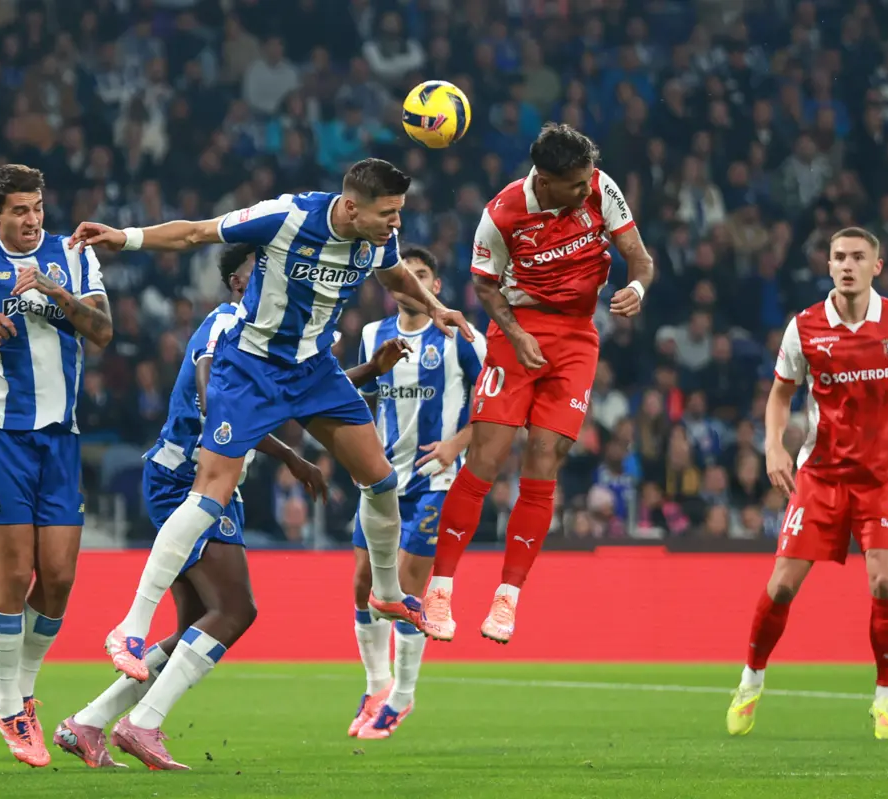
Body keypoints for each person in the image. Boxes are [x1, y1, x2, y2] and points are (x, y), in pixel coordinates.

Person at [68, 158, 470, 689]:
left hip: (314, 369)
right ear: (351, 206)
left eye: (399, 212)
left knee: (381, 480)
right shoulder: (286, 216)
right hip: (253, 368)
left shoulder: (378, 239)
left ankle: (388, 592)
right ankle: (131, 627)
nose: (395, 223)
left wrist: (436, 307)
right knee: (211, 491)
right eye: (388, 213)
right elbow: (196, 233)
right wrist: (127, 237)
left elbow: (393, 270)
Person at [53, 243, 411, 769]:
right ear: (239, 282)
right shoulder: (226, 324)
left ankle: (86, 723)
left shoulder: (269, 340)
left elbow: (294, 396)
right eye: (260, 271)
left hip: (214, 485)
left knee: (195, 626)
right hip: (185, 480)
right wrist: (289, 454)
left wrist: (365, 372)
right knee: (236, 610)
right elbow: (210, 398)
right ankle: (143, 723)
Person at [420, 123, 654, 644]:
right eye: (575, 184)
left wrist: (636, 286)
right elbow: (483, 284)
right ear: (545, 181)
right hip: (519, 329)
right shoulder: (501, 214)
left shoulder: (598, 187)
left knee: (545, 456)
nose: (586, 190)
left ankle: (507, 599)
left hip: (576, 338)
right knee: (486, 456)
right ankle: (440, 588)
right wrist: (515, 334)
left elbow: (639, 255)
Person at [0, 164, 114, 767]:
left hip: (61, 436)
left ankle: (25, 692)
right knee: (16, 576)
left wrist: (55, 292)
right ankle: (8, 701)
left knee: (58, 578)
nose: (32, 219)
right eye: (19, 211)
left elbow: (104, 331)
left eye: (37, 207)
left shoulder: (75, 254)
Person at [726, 227, 888, 741]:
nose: (847, 264)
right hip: (821, 476)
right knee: (781, 586)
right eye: (839, 256)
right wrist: (774, 446)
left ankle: (886, 700)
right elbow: (779, 394)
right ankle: (750, 682)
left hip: (881, 475)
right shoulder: (805, 327)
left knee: (885, 582)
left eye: (858, 257)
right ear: (829, 264)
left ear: (876, 266)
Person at [348, 245, 486, 740]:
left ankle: (402, 699)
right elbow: (360, 404)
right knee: (364, 581)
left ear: (436, 286)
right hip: (382, 481)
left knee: (404, 587)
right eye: (406, 276)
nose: (413, 284)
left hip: (437, 481)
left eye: (422, 275)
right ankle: (377, 685)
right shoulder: (371, 335)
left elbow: (498, 404)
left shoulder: (459, 338)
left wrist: (456, 444)